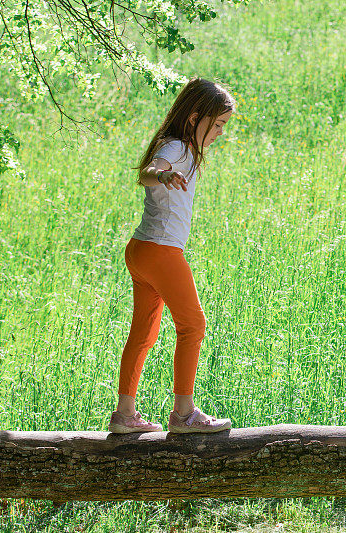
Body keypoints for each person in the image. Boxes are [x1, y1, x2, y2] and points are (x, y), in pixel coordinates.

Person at [107, 77, 236, 434]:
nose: (221, 132)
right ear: (196, 118)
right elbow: (148, 174)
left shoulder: (182, 149)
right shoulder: (177, 148)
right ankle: (183, 413)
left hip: (141, 251)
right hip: (161, 252)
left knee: (144, 334)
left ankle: (125, 415)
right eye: (219, 124)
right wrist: (162, 176)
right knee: (193, 325)